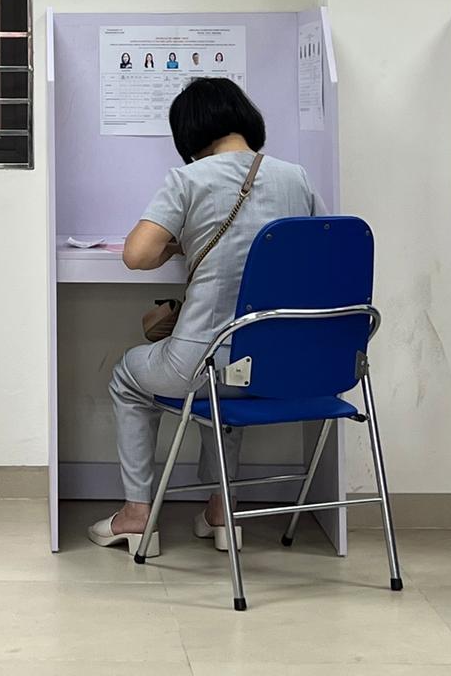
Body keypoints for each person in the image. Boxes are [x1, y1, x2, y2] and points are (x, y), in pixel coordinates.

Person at [89, 78, 324, 555]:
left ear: (191, 133)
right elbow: (309, 254)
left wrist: (180, 242)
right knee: (233, 371)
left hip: (203, 366)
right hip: (282, 364)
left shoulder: (189, 180)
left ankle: (137, 514)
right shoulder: (296, 178)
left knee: (131, 377)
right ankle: (221, 510)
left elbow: (136, 255)